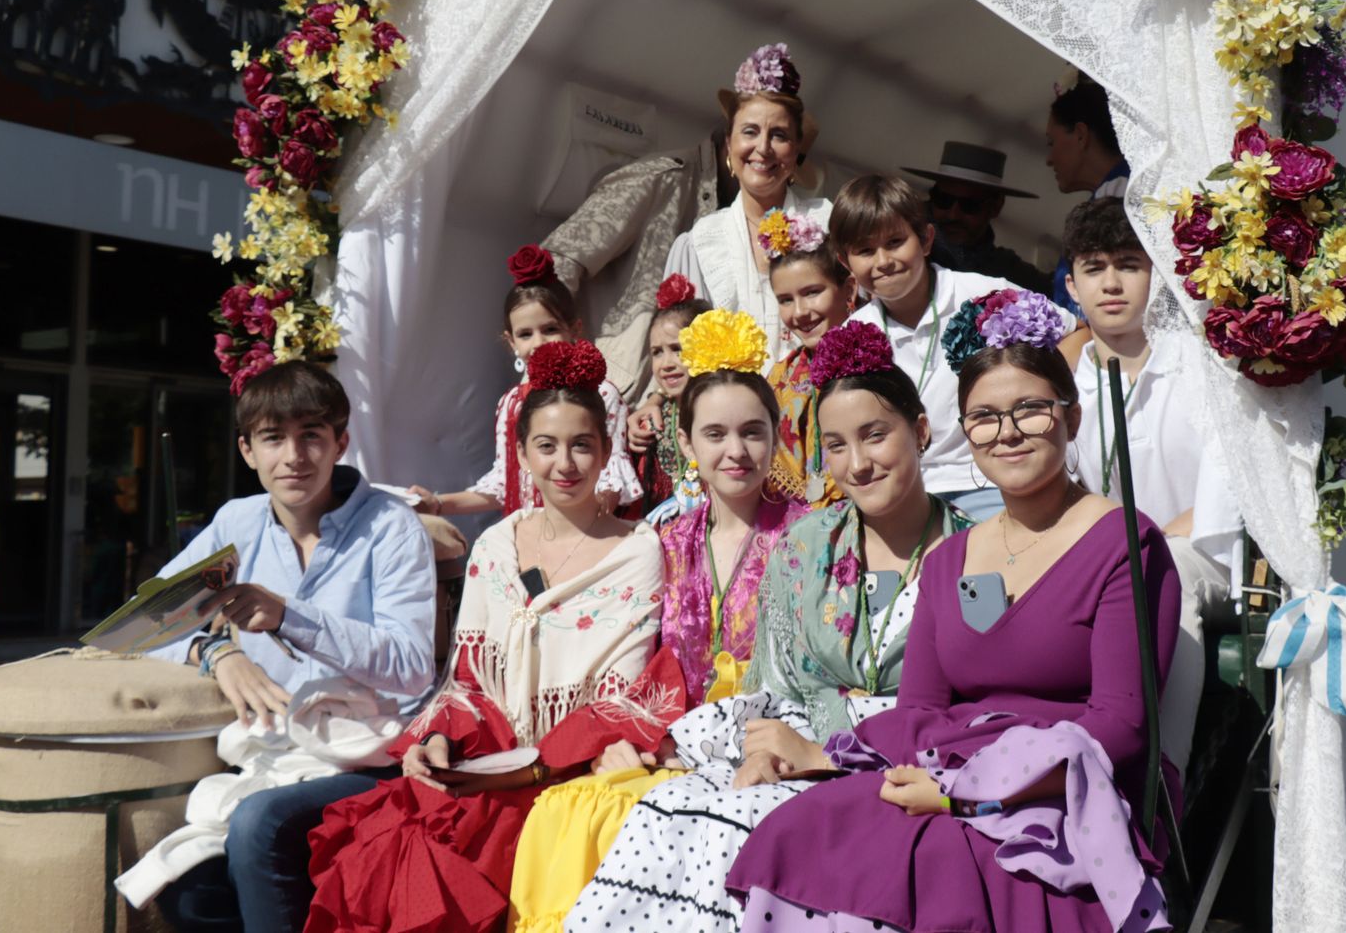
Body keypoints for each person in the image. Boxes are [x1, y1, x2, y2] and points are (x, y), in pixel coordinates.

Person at [726, 288, 1182, 932]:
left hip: (1058, 800)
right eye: (985, 417)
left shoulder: (1125, 545)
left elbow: (1123, 726)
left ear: (1072, 417)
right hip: (945, 775)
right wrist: (850, 760)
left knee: (936, 863)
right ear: (966, 435)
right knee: (801, 831)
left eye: (1030, 409)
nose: (1008, 432)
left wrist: (967, 792)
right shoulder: (951, 559)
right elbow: (919, 711)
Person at [566, 321, 971, 933]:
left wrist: (824, 749)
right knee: (668, 808)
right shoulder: (806, 545)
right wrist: (742, 749)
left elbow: (977, 699)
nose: (858, 464)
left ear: (920, 431)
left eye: (875, 435)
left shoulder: (975, 552)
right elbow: (774, 686)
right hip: (784, 753)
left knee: (740, 830)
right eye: (836, 445)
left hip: (908, 765)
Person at [304, 340, 679, 932]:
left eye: (582, 445)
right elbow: (469, 680)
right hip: (487, 755)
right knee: (391, 850)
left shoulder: (637, 551)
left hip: (571, 767)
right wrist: (437, 739)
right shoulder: (496, 545)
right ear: (522, 454)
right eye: (546, 446)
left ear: (606, 450)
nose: (565, 463)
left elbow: (624, 692)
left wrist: (530, 769)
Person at [505, 311, 808, 932]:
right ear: (687, 443)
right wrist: (631, 738)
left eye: (752, 432)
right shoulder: (663, 539)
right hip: (674, 745)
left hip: (770, 751)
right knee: (566, 811)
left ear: (776, 436)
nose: (735, 451)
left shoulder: (813, 536)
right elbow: (637, 659)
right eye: (715, 433)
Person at [145, 362, 437, 933]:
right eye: (273, 438)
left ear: (340, 443)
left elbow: (410, 666)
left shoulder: (390, 525)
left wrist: (289, 617)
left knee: (258, 826)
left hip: (372, 755)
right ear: (247, 450)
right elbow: (145, 623)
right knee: (186, 887)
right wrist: (216, 654)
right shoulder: (237, 521)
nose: (294, 457)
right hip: (269, 755)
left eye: (311, 435)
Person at [1063, 197, 1236, 774]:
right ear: (1072, 286)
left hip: (1203, 558)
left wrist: (1144, 547)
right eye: (1094, 268)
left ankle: (1162, 781)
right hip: (1107, 562)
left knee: (1165, 572)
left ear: (1157, 275)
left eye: (1129, 265)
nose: (1111, 283)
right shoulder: (1065, 384)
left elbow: (1226, 496)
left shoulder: (1205, 365)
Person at [836, 174, 1073, 522]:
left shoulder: (984, 295)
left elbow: (1074, 333)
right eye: (865, 251)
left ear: (926, 239)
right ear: (845, 262)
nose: (883, 260)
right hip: (902, 495)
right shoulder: (852, 335)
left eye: (896, 242)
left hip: (990, 486)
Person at [411, 244, 642, 519]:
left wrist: (577, 526)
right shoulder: (512, 403)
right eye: (525, 334)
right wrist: (437, 504)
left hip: (585, 533)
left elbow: (611, 480)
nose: (538, 343)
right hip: (530, 536)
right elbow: (505, 483)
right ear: (511, 342)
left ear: (575, 329)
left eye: (550, 329)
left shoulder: (600, 394)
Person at [662, 42, 831, 371]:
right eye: (750, 132)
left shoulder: (827, 223)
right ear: (729, 143)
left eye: (779, 135)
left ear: (796, 150)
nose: (763, 148)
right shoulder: (700, 242)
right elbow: (677, 351)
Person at [542, 129, 734, 395]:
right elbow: (560, 261)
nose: (764, 149)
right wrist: (556, 375)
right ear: (731, 136)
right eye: (752, 131)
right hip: (609, 395)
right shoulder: (660, 177)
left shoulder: (760, 214)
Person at [761, 209, 856, 507]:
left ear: (848, 289)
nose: (800, 312)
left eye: (812, 292)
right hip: (794, 519)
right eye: (785, 300)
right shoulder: (780, 377)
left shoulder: (872, 364)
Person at [907, 140, 1053, 296]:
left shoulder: (1009, 272)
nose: (953, 214)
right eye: (944, 200)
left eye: (970, 205)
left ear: (996, 207)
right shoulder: (907, 254)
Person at [1046, 73, 1130, 320]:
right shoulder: (1110, 191)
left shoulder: (1127, 195)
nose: (1049, 159)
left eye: (1051, 142)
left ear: (1081, 135)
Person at [632, 275, 714, 520]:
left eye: (677, 349)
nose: (666, 364)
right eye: (657, 352)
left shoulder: (724, 412)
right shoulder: (652, 424)